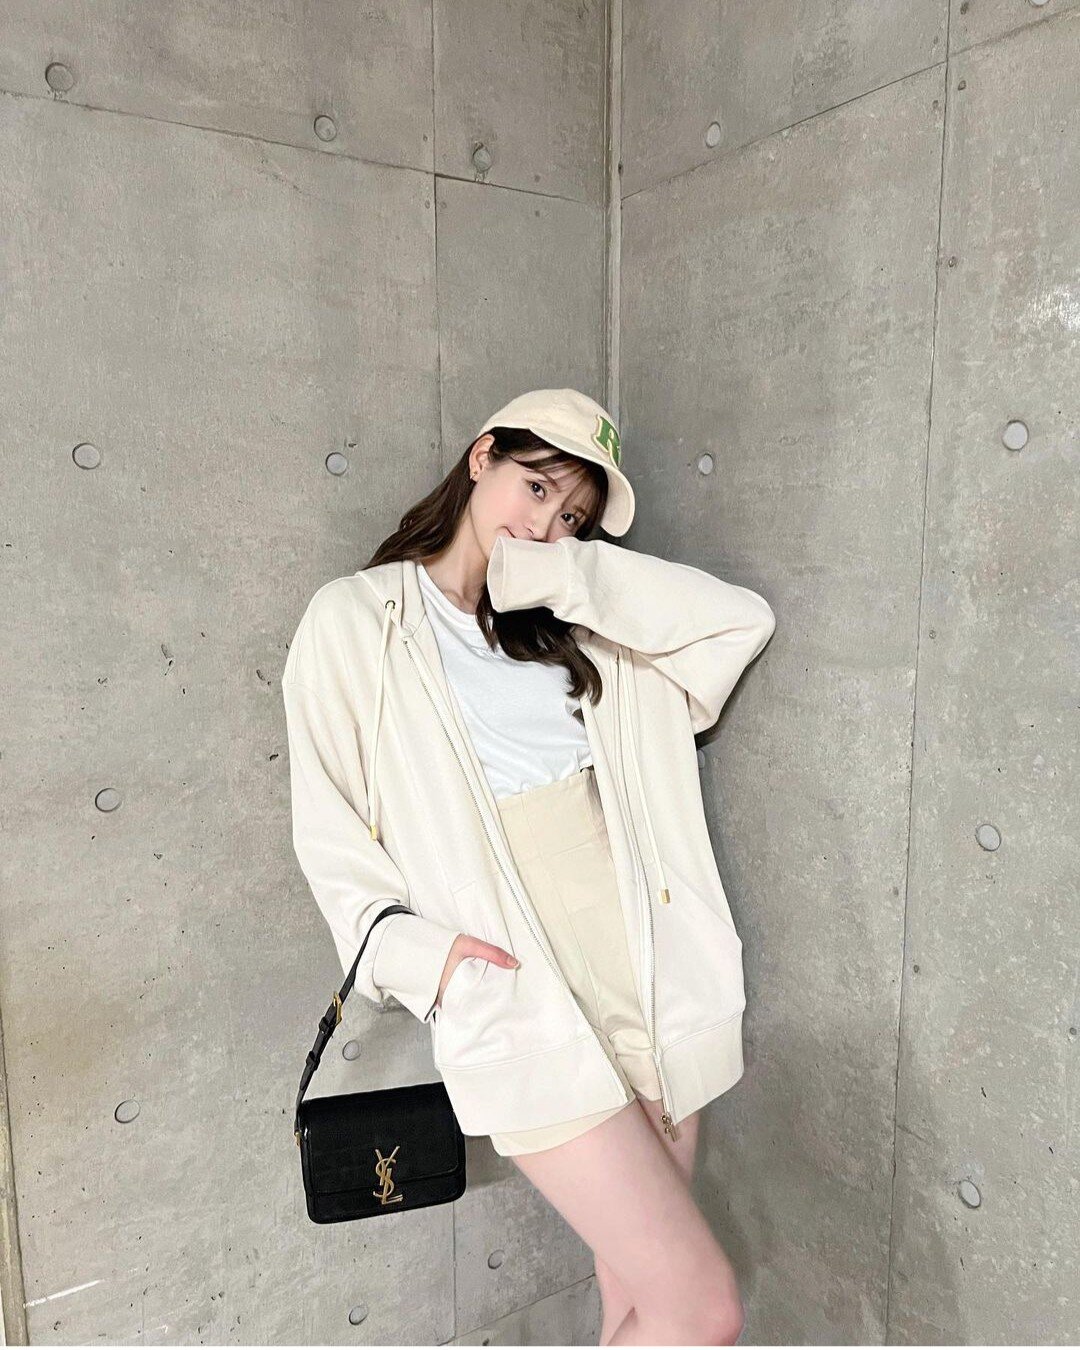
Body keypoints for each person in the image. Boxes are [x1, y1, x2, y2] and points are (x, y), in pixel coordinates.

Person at [282, 388, 776, 1345]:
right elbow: (328, 832)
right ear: (481, 459)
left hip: (646, 967)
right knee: (702, 1307)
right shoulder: (357, 620)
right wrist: (429, 963)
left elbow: (736, 622)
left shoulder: (577, 630)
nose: (545, 524)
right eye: (536, 487)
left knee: (639, 1302)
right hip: (519, 988)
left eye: (574, 516)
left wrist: (563, 574)